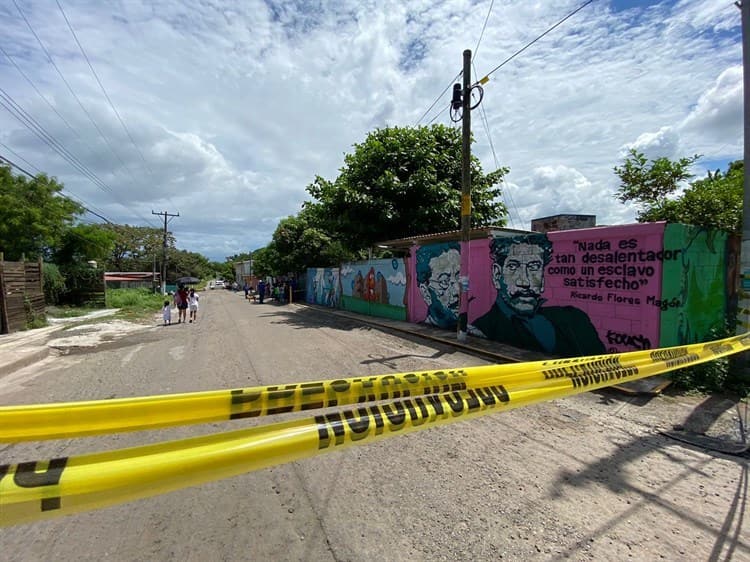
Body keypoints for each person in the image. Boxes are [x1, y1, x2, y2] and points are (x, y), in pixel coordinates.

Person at [472, 233, 606, 357]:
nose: (524, 281)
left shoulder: (575, 319)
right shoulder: (483, 330)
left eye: (534, 267)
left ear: (542, 277)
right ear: (497, 275)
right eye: (513, 267)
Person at [415, 242, 460, 329]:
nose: (457, 290)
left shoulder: (475, 331)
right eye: (444, 281)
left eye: (459, 278)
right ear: (426, 292)